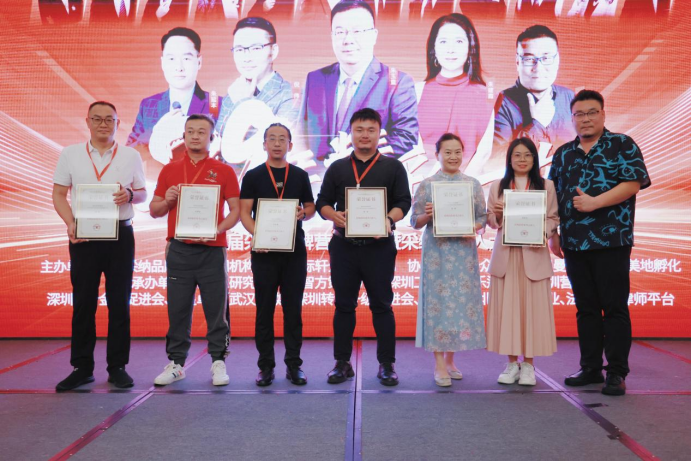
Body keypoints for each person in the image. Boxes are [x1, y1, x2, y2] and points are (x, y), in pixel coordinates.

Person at [548, 90, 651, 396]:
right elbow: (552, 196)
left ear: (603, 114)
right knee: (586, 308)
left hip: (612, 241)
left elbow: (633, 183)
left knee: (614, 307)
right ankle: (590, 367)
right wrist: (553, 232)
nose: (586, 119)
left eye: (592, 112)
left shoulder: (622, 144)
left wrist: (595, 202)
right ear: (572, 118)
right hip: (575, 243)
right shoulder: (563, 154)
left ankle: (616, 371)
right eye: (579, 114)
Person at [52, 101, 147, 391]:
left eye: (109, 119)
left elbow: (143, 193)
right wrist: (70, 223)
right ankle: (82, 367)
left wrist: (129, 194)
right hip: (84, 237)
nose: (103, 124)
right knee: (83, 302)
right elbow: (59, 194)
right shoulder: (70, 154)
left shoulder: (131, 155)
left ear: (118, 123)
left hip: (120, 235)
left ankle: (117, 367)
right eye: (97, 119)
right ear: (88, 122)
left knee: (119, 302)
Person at [316, 108, 411, 386]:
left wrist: (388, 220)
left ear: (379, 133)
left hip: (379, 248)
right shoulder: (338, 167)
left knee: (382, 305)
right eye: (359, 130)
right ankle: (342, 363)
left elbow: (403, 202)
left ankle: (386, 365)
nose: (365, 135)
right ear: (351, 133)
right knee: (344, 306)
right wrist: (334, 215)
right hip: (344, 247)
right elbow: (322, 202)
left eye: (371, 130)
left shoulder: (393, 167)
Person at [150, 114, 240, 387]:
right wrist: (167, 200)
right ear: (184, 136)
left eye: (201, 132)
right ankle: (176, 363)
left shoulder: (224, 171)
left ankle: (218, 361)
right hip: (179, 250)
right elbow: (155, 210)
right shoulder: (169, 170)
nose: (195, 136)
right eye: (190, 131)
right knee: (178, 309)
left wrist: (217, 229)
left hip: (212, 250)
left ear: (211, 138)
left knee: (216, 310)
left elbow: (235, 211)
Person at [298, 0, 418, 168]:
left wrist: (358, 158)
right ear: (332, 36)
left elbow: (405, 138)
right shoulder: (315, 79)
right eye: (340, 32)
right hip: (318, 179)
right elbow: (300, 135)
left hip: (369, 179)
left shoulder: (398, 83)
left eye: (357, 31)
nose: (348, 40)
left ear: (374, 35)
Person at [239, 123, 316, 387]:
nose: (276, 143)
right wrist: (258, 236)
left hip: (294, 252)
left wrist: (304, 213)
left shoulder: (300, 175)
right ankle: (265, 366)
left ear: (290, 145)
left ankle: (294, 365)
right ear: (264, 144)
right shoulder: (253, 176)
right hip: (264, 253)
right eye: (271, 138)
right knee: (264, 310)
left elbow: (310, 206)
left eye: (282, 139)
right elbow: (244, 213)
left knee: (293, 310)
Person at [410, 133, 487, 387]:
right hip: (437, 254)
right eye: (448, 152)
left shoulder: (472, 184)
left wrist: (472, 226)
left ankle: (451, 360)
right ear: (437, 155)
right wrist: (428, 215)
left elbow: (482, 218)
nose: (453, 157)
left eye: (457, 152)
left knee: (459, 306)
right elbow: (415, 221)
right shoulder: (427, 185)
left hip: (463, 253)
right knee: (437, 305)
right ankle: (438, 363)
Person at [486, 137, 559, 386]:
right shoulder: (497, 186)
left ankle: (528, 365)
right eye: (517, 155)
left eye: (527, 155)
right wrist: (497, 214)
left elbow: (553, 218)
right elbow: (490, 220)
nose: (522, 159)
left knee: (532, 312)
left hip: (533, 254)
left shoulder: (546, 186)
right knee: (508, 311)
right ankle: (511, 364)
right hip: (507, 257)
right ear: (509, 159)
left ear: (534, 159)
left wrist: (542, 233)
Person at [127, 28, 220, 179]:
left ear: (199, 61)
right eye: (171, 59)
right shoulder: (149, 105)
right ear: (162, 63)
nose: (179, 67)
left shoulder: (216, 104)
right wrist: (157, 131)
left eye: (186, 58)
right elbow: (130, 156)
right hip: (157, 189)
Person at [217, 17, 298, 172]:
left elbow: (273, 147)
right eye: (239, 50)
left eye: (255, 48)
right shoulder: (231, 94)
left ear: (273, 51)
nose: (246, 58)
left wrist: (244, 102)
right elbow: (217, 148)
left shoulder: (290, 95)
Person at [491, 25, 576, 174]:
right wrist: (536, 125)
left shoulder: (569, 97)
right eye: (529, 59)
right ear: (518, 62)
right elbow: (494, 163)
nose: (538, 68)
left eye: (546, 58)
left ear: (557, 60)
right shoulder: (501, 103)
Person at [417, 14, 492, 170]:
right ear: (434, 48)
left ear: (470, 48)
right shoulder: (416, 92)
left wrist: (462, 182)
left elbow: (484, 153)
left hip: (468, 181)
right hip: (422, 180)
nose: (450, 50)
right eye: (443, 42)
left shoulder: (487, 96)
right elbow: (412, 151)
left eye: (459, 42)